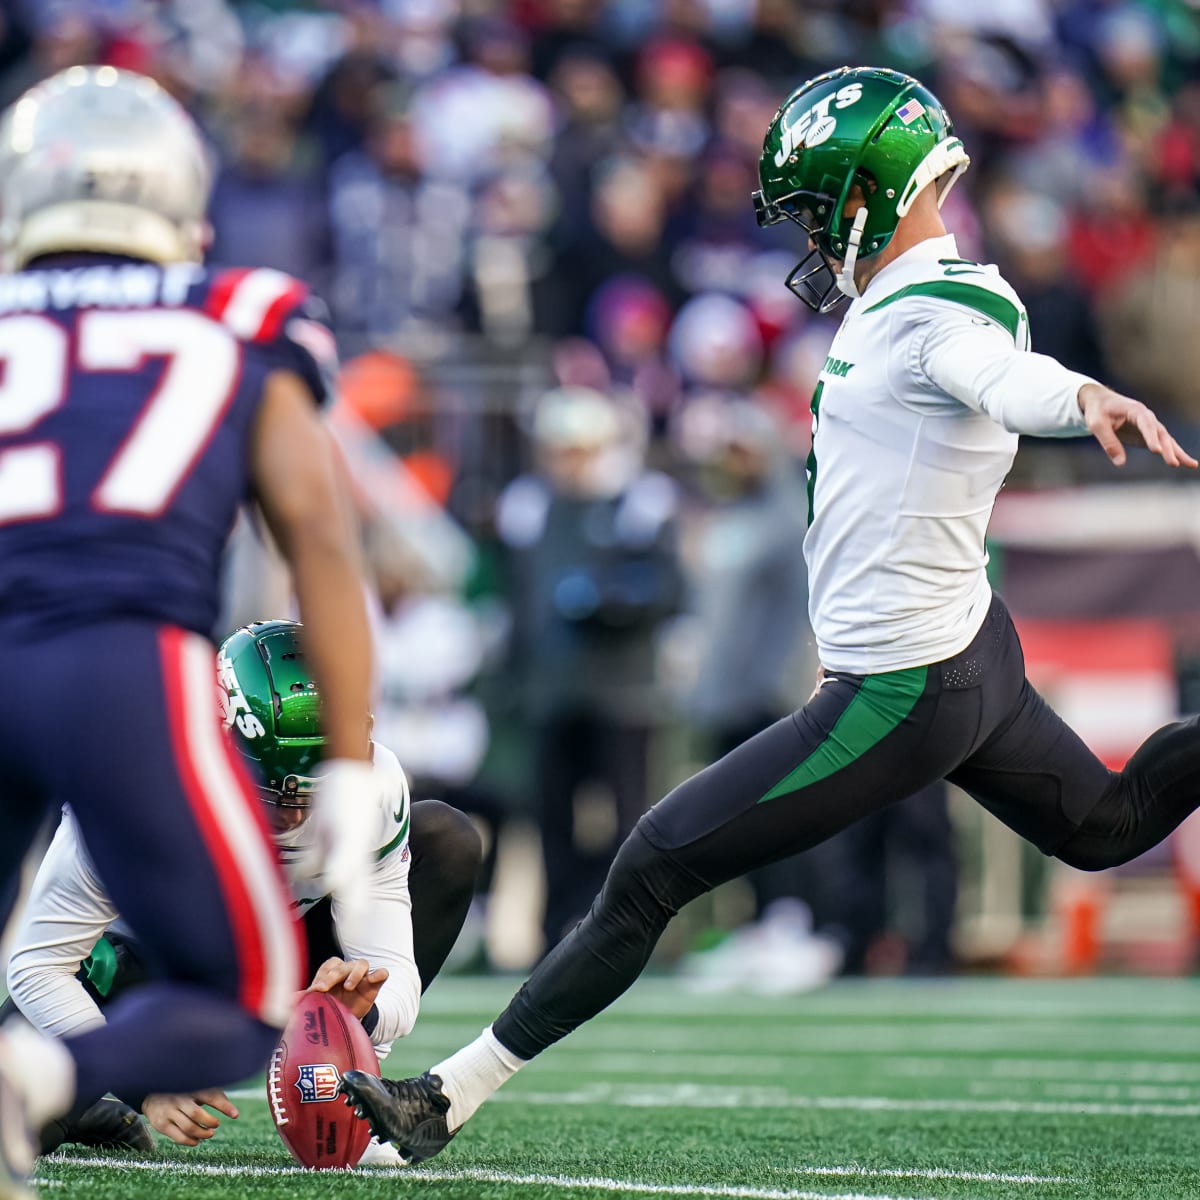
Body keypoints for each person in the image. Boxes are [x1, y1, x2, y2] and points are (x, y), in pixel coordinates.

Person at [337, 65, 1200, 1162]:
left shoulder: (937, 308)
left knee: (651, 864)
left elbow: (1001, 374)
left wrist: (1079, 395)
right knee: (1106, 826)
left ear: (865, 196)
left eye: (810, 203)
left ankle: (439, 1102)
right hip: (964, 651)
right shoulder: (910, 297)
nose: (804, 230)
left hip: (905, 686)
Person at [0, 67, 378, 1199]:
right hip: (120, 660)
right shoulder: (237, 312)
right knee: (239, 995)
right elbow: (318, 535)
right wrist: (351, 760)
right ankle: (32, 1082)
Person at [3, 621, 481, 1164]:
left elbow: (396, 979)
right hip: (146, 978)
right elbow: (39, 966)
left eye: (316, 791)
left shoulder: (371, 789)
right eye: (272, 793)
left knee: (446, 839)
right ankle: (83, 1101)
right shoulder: (135, 777)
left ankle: (351, 1093)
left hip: (285, 962)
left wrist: (352, 1017)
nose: (296, 814)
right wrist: (142, 1082)